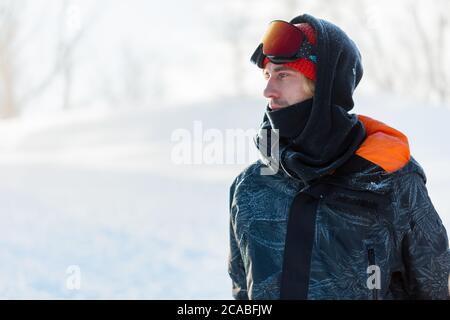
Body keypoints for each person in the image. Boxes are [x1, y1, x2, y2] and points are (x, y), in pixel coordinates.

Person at [228, 13, 450, 300]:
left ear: (325, 88)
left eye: (283, 75)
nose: (268, 89)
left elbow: (435, 289)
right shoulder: (249, 187)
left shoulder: (392, 180)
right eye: (267, 75)